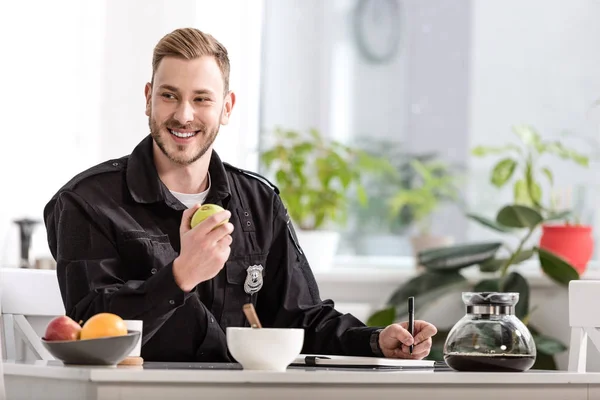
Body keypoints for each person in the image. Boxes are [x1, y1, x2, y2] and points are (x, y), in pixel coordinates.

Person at [43, 27, 437, 362]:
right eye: (168, 95)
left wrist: (375, 341)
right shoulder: (85, 202)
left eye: (201, 99)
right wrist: (180, 276)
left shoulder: (259, 202)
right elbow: (89, 330)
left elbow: (298, 317)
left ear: (226, 108)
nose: (183, 114)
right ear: (148, 98)